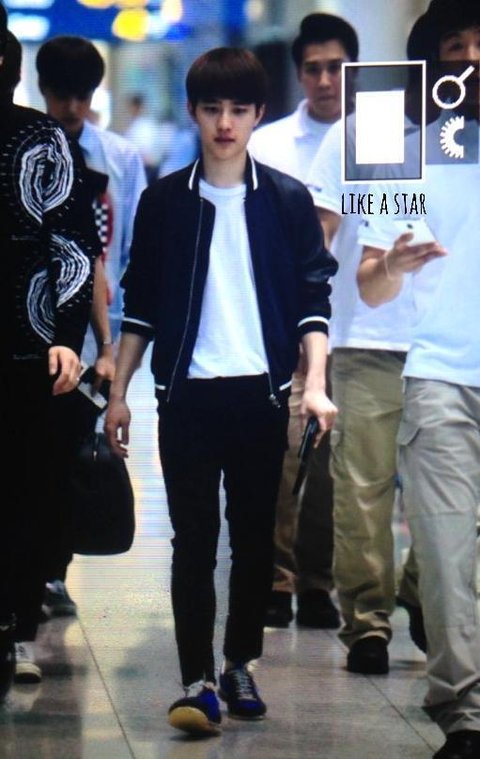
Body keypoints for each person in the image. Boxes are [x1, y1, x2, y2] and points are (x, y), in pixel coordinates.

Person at [105, 46, 338, 737]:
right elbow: (141, 305)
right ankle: (196, 678)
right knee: (194, 540)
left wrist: (314, 385)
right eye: (212, 109)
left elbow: (313, 302)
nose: (226, 124)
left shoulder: (287, 201)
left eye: (239, 109)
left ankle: (239, 663)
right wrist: (118, 392)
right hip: (186, 396)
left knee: (255, 539)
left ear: (258, 114)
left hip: (261, 396)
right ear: (195, 113)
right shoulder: (165, 202)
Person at [356, 1, 480, 756]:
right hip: (441, 378)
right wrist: (394, 265)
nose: (472, 58)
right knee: (445, 552)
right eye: (457, 46)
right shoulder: (404, 153)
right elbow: (370, 284)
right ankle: (464, 714)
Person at [305, 33, 426, 674]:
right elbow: (323, 228)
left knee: (454, 495)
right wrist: (303, 326)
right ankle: (368, 623)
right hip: (368, 334)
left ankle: (423, 593)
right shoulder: (373, 124)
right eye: (455, 46)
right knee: (362, 489)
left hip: (456, 342)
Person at [248, 12, 358, 630]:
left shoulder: (384, 143)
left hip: (359, 326)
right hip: (287, 326)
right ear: (298, 74)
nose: (324, 80)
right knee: (285, 456)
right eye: (313, 69)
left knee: (334, 466)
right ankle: (277, 579)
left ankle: (320, 583)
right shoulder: (268, 146)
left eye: (336, 67)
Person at [0, 4, 97, 699]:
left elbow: (72, 245)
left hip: (26, 347)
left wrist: (66, 338)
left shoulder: (41, 137)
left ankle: (18, 626)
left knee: (26, 487)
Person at [35, 36, 147, 616]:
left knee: (73, 451)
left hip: (101, 327)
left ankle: (54, 569)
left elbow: (126, 249)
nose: (72, 107)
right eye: (61, 95)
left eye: (81, 96)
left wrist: (116, 341)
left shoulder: (119, 158)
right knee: (35, 448)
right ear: (42, 90)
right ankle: (37, 567)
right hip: (35, 325)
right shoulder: (30, 145)